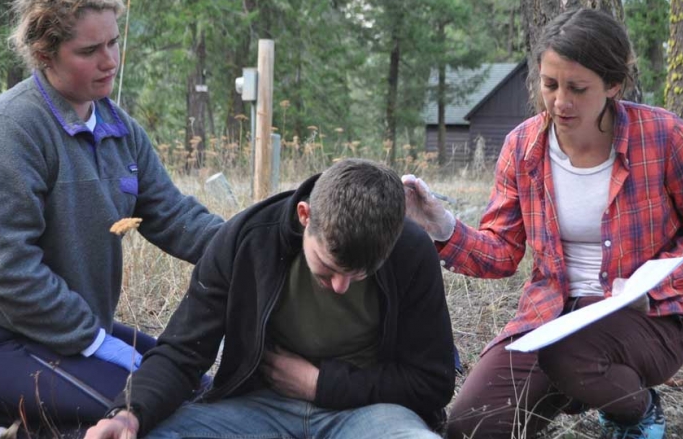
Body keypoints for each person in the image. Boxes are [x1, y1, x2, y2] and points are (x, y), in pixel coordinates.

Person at [403, 8, 683, 439]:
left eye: (578, 88)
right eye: (550, 84)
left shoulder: (666, 136)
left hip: (654, 317)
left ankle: (637, 410)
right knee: (470, 428)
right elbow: (502, 252)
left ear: (613, 85)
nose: (560, 101)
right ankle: (575, 386)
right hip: (551, 316)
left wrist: (651, 285)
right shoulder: (522, 146)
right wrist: (441, 226)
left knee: (569, 355)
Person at [0, 0, 222, 428]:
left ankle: (14, 419)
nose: (110, 61)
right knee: (155, 412)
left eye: (113, 43)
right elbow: (3, 264)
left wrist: (254, 239)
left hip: (76, 333)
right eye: (89, 50)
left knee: (201, 390)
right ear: (43, 53)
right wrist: (93, 340)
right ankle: (1, 422)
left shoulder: (118, 127)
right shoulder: (11, 130)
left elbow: (174, 216)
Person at [84, 158, 457, 439]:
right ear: (305, 215)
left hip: (370, 413)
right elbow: (183, 352)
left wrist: (320, 385)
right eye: (328, 269)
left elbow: (431, 381)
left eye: (359, 274)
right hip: (257, 408)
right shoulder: (247, 240)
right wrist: (129, 413)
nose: (341, 286)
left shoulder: (411, 251)